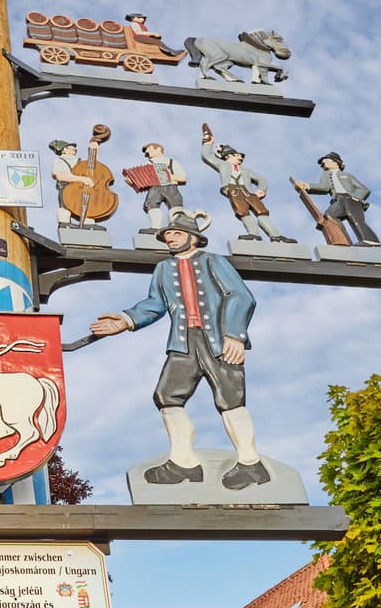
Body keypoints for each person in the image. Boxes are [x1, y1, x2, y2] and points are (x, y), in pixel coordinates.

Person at [83, 210, 270, 490]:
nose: (170, 238)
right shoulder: (164, 269)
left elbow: (240, 295)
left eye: (176, 233)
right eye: (167, 234)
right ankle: (183, 463)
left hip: (219, 341)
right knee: (166, 395)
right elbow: (155, 304)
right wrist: (124, 320)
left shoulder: (213, 261)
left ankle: (250, 463)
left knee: (231, 398)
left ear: (193, 238)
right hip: (183, 341)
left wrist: (235, 335)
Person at [199, 123, 294, 243]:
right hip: (233, 190)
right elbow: (207, 156)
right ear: (229, 156)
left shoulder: (246, 170)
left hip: (248, 191)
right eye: (238, 155)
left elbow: (261, 179)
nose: (240, 158)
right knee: (243, 213)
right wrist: (208, 143)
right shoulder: (223, 165)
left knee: (262, 212)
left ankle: (276, 235)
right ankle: (253, 234)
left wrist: (261, 189)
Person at [293, 153, 380, 246]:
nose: (323, 164)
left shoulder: (347, 175)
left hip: (352, 200)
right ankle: (344, 241)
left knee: (355, 219)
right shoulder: (326, 175)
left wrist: (355, 197)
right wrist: (307, 186)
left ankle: (370, 240)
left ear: (336, 162)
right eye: (322, 164)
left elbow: (363, 189)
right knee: (330, 216)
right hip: (338, 199)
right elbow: (324, 187)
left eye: (326, 161)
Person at [131, 141, 187, 230]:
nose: (147, 154)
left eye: (149, 151)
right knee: (151, 205)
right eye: (146, 154)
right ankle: (155, 227)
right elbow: (141, 181)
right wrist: (132, 181)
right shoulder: (148, 166)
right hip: (155, 188)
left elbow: (183, 178)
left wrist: (168, 176)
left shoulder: (171, 162)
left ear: (158, 149)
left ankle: (177, 226)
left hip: (170, 186)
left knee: (174, 205)